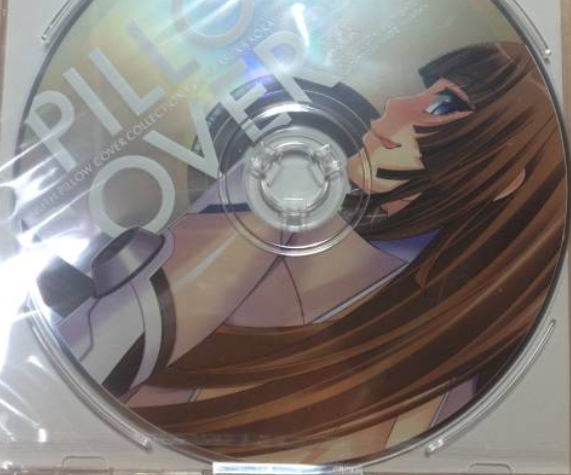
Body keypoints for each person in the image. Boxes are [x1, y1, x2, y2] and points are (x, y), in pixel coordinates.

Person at [67, 42, 570, 463]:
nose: (396, 105)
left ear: (506, 177)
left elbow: (97, 354)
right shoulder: (453, 382)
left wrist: (260, 209)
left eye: (442, 105)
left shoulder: (292, 228)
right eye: (426, 92)